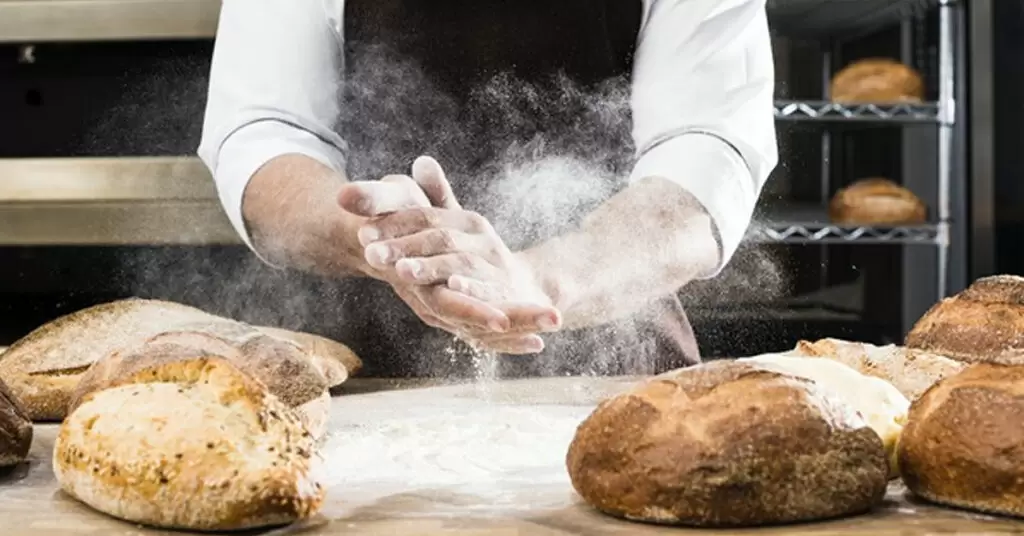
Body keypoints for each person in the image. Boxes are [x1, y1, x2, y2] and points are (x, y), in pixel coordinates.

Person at [198, 0, 778, 378]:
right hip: (361, 370)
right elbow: (263, 133)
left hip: (618, 362)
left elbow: (706, 153)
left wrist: (541, 280)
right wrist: (383, 238)